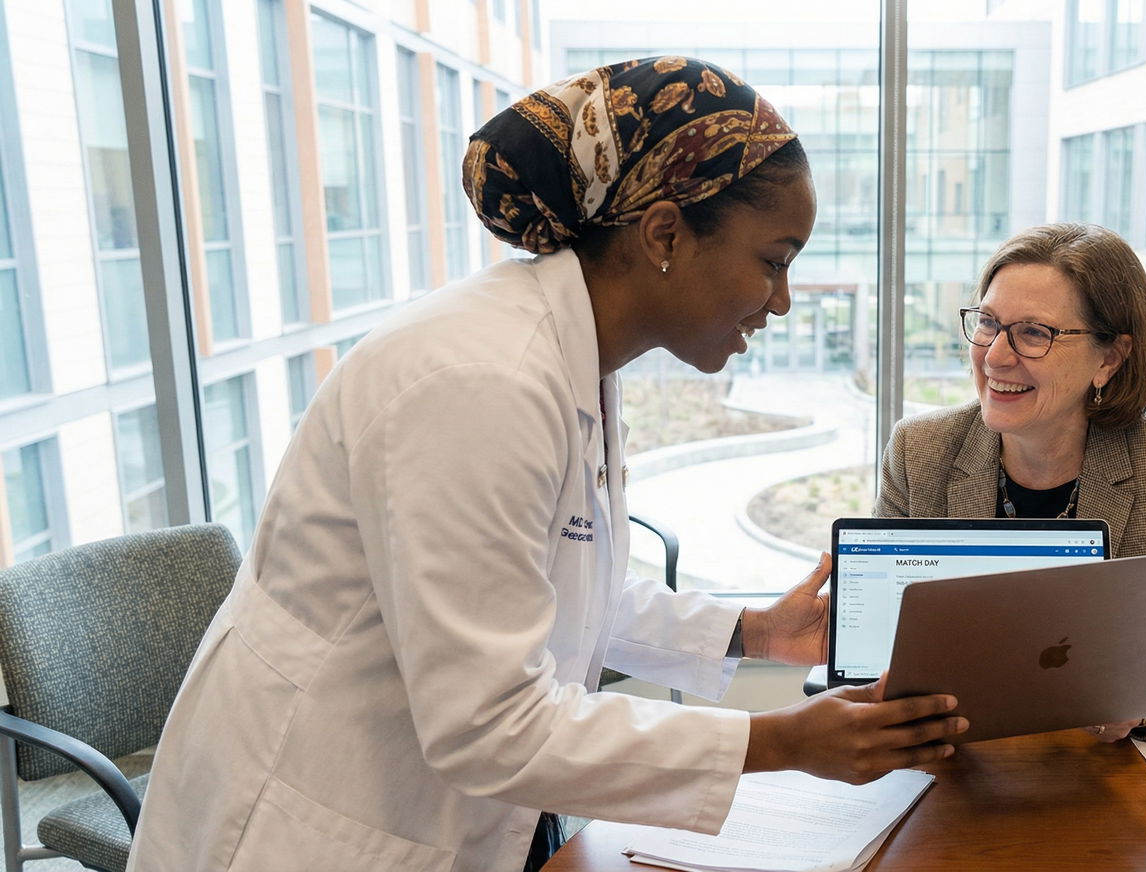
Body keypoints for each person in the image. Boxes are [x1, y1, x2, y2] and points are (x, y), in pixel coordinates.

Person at [128, 57, 965, 872]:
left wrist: (755, 632)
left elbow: (553, 589)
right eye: (774, 261)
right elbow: (488, 725)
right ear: (665, 233)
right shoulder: (480, 380)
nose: (781, 300)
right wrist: (778, 742)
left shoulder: (572, 359)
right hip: (310, 823)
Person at [875, 223, 1146, 745]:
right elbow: (878, 644)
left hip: (1101, 765)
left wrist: (1140, 708)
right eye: (988, 323)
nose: (994, 356)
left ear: (1109, 358)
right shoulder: (919, 451)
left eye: (1034, 333)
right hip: (957, 753)